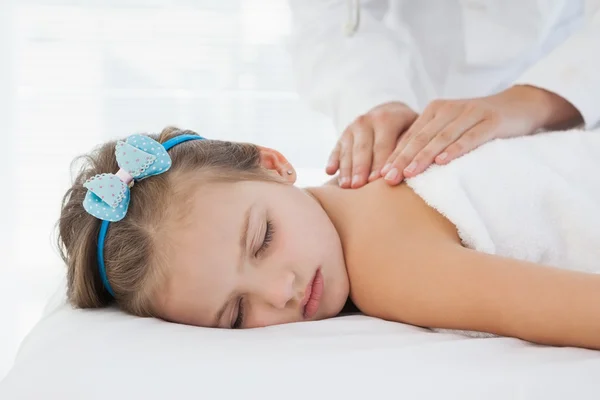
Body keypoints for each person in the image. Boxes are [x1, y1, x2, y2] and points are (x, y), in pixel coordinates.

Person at [58, 126, 600, 349]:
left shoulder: (387, 268)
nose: (281, 290)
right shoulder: (364, 187)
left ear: (274, 165)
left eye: (263, 238)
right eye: (237, 315)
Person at [288, 0, 600, 188]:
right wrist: (376, 99)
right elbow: (328, 15)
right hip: (417, 101)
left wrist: (539, 99)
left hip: (572, 80)